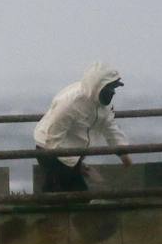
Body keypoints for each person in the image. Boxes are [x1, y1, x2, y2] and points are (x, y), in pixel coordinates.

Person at [33, 61, 134, 193]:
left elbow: (109, 127)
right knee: (61, 192)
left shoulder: (103, 106)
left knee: (72, 193)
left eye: (114, 88)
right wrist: (64, 163)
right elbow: (53, 132)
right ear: (98, 86)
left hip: (73, 152)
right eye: (110, 89)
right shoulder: (72, 102)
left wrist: (123, 152)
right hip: (49, 148)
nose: (113, 93)